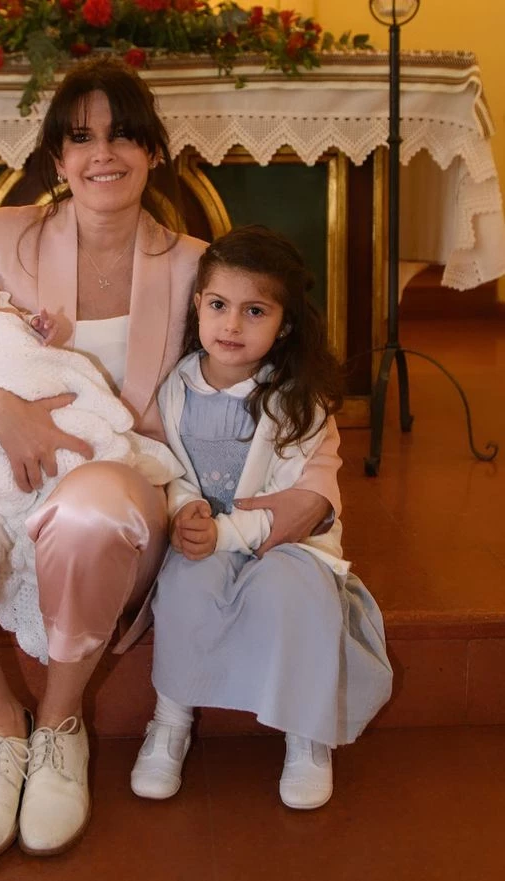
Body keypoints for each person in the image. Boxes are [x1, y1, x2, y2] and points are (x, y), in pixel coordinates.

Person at [0, 55, 342, 866]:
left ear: (151, 149)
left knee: (94, 501)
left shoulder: (196, 267)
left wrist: (290, 502)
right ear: (57, 160)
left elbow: (276, 382)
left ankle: (62, 723)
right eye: (80, 139)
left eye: (122, 134)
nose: (103, 154)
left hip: (119, 491)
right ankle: (4, 729)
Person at [130, 226, 393, 809]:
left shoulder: (298, 401)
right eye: (219, 306)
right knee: (187, 585)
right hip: (200, 539)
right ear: (197, 305)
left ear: (284, 324)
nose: (231, 326)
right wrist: (182, 510)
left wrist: (226, 531)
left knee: (296, 591)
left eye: (255, 311)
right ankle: (171, 718)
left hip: (282, 541)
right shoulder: (171, 388)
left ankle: (307, 732)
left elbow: (295, 499)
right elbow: (158, 460)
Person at [0, 257, 183, 664]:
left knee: (89, 489)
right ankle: (35, 547)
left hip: (115, 487)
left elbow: (26, 350)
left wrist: (37, 333)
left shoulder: (188, 260)